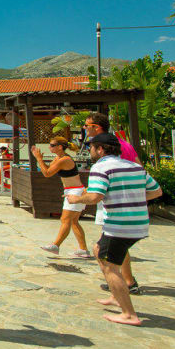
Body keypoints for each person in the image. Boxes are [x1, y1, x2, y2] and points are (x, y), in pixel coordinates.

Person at [66, 133, 161, 326]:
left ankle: (128, 313)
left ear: (100, 149)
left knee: (110, 266)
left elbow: (95, 196)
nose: (89, 150)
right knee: (98, 249)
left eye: (91, 147)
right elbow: (156, 191)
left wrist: (75, 199)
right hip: (139, 223)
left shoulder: (101, 167)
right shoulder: (135, 167)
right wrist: (131, 198)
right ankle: (116, 295)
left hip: (120, 225)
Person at [84, 113, 143, 293]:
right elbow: (139, 167)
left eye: (87, 126)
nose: (85, 129)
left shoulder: (109, 150)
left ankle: (123, 283)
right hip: (125, 201)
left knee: (110, 244)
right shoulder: (123, 145)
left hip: (115, 201)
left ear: (97, 127)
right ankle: (123, 281)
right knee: (115, 243)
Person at [32, 137, 92, 258]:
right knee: (74, 222)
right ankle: (83, 250)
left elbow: (47, 174)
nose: (50, 147)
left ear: (60, 147)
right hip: (72, 190)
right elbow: (47, 170)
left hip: (75, 192)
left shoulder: (64, 160)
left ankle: (56, 245)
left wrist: (38, 158)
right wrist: (41, 160)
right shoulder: (58, 158)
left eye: (52, 145)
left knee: (65, 220)